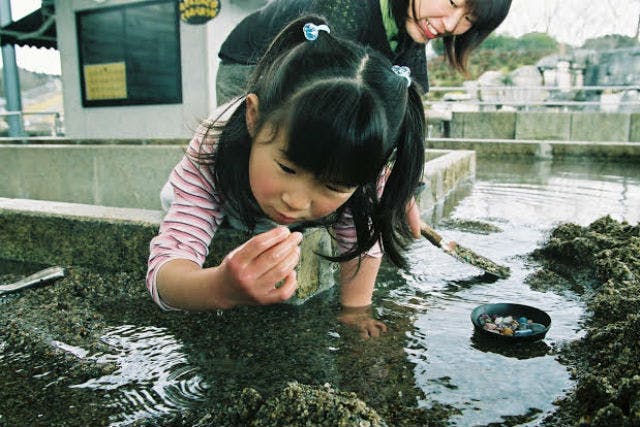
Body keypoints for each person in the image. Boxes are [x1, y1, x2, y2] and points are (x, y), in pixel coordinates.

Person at [147, 16, 426, 338]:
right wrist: (221, 287)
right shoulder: (214, 145)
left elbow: (362, 241)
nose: (295, 200)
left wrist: (356, 311)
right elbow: (165, 273)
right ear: (253, 117)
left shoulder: (357, 165)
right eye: (288, 168)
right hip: (226, 202)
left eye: (334, 186)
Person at [216, 0, 512, 105]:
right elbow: (322, 99)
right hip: (253, 62)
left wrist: (403, 187)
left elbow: (407, 107)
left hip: (319, 75)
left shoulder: (414, 27)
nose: (450, 24)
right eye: (451, 1)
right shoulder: (348, 8)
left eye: (469, 19)